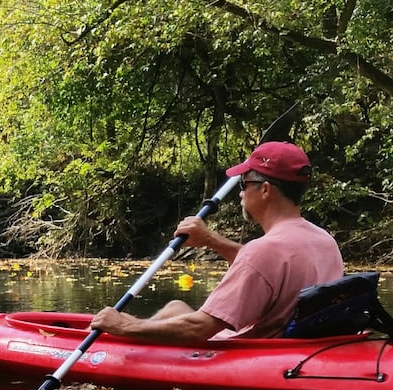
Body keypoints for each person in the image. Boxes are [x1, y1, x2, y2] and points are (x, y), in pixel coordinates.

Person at [90, 141, 343, 342]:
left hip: (254, 355)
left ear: (265, 190)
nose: (241, 192)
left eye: (245, 184)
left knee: (169, 317)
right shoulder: (323, 240)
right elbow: (269, 268)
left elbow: (201, 328)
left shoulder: (264, 250)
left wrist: (127, 326)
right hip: (296, 346)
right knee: (176, 306)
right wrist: (211, 240)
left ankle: (123, 349)